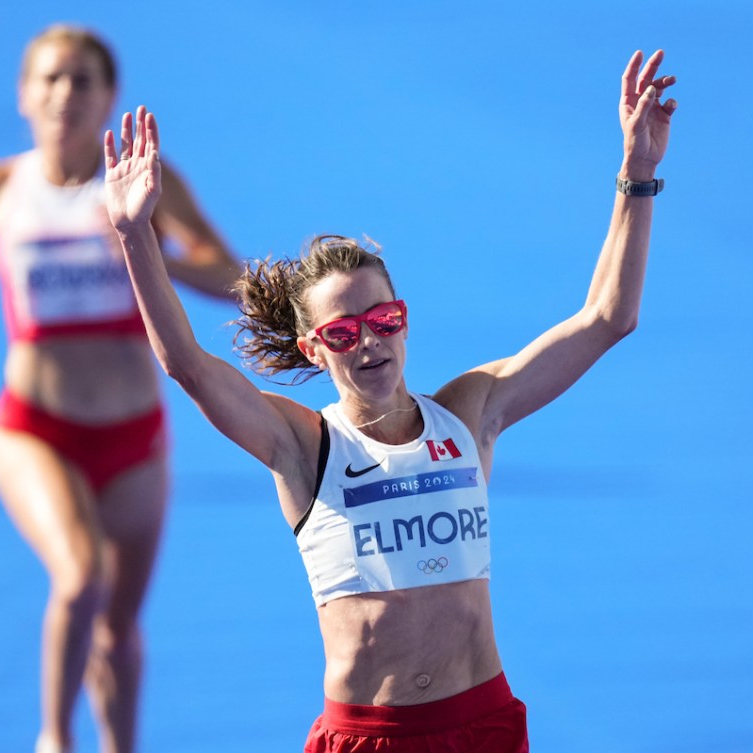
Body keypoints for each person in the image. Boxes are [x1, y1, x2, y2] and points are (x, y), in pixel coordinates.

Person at [104, 48, 677, 752]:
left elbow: (607, 318)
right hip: (368, 737)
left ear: (403, 319)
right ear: (313, 348)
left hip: (483, 725)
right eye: (342, 332)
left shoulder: (470, 412)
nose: (369, 343)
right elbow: (188, 366)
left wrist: (637, 177)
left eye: (384, 321)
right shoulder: (302, 446)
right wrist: (135, 235)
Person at [0, 24, 241, 753]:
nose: (66, 94)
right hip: (36, 427)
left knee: (119, 625)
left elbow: (232, 273)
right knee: (79, 576)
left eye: (83, 80)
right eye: (51, 79)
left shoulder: (143, 183)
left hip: (133, 437)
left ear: (109, 97)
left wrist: (143, 244)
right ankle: (55, 738)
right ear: (24, 94)